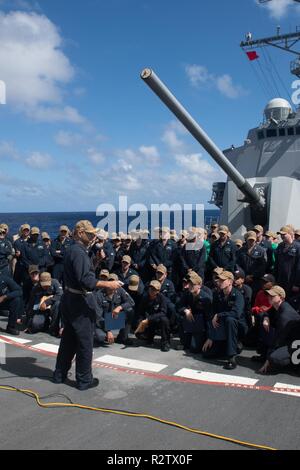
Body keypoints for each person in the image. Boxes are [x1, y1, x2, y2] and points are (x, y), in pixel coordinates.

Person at [53, 220, 122, 391]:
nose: (92, 237)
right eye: (89, 234)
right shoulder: (79, 252)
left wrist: (96, 262)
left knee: (68, 340)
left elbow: (82, 273)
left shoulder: (73, 250)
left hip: (69, 299)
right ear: (80, 233)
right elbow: (86, 281)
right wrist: (109, 285)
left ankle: (59, 374)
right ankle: (84, 380)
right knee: (84, 342)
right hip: (79, 302)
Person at [202, 271, 247, 370]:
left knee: (230, 320)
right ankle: (230, 346)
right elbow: (212, 315)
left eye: (223, 280)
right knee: (207, 354)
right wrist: (211, 336)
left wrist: (219, 315)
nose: (219, 282)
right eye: (219, 280)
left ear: (230, 281)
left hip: (238, 327)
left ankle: (231, 357)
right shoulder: (217, 294)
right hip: (222, 326)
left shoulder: (238, 295)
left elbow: (236, 314)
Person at [258, 286, 300, 374]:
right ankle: (264, 355)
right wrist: (266, 318)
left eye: (272, 296)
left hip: (294, 344)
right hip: (288, 340)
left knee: (274, 359)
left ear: (280, 298)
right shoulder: (277, 306)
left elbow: (278, 341)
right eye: (268, 295)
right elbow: (266, 312)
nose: (269, 297)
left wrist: (268, 360)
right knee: (261, 317)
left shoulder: (285, 315)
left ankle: (290, 364)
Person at [176, 272, 212, 352]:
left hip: (201, 324)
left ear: (199, 285)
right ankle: (184, 342)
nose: (190, 286)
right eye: (189, 283)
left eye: (193, 284)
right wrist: (186, 311)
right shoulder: (187, 293)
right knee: (180, 316)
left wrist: (210, 336)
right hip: (191, 320)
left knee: (194, 349)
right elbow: (179, 306)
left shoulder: (205, 298)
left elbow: (209, 318)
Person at [135, 280, 171, 352]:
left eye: (154, 289)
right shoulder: (145, 297)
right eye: (150, 288)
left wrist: (149, 318)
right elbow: (140, 311)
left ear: (158, 291)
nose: (151, 290)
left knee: (164, 320)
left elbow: (163, 312)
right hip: (148, 321)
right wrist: (140, 322)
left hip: (157, 320)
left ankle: (165, 342)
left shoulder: (162, 298)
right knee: (139, 322)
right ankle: (148, 337)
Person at [274, 226, 300, 299]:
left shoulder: (298, 247)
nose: (282, 236)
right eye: (281, 234)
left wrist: (297, 284)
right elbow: (276, 264)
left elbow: (299, 267)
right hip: (280, 280)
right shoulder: (280, 246)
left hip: (291, 282)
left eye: (284, 234)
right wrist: (275, 279)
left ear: (290, 234)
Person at [0, 271, 23, 335]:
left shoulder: (5, 279)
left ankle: (11, 326)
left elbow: (19, 291)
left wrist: (5, 296)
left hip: (2, 302)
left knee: (16, 300)